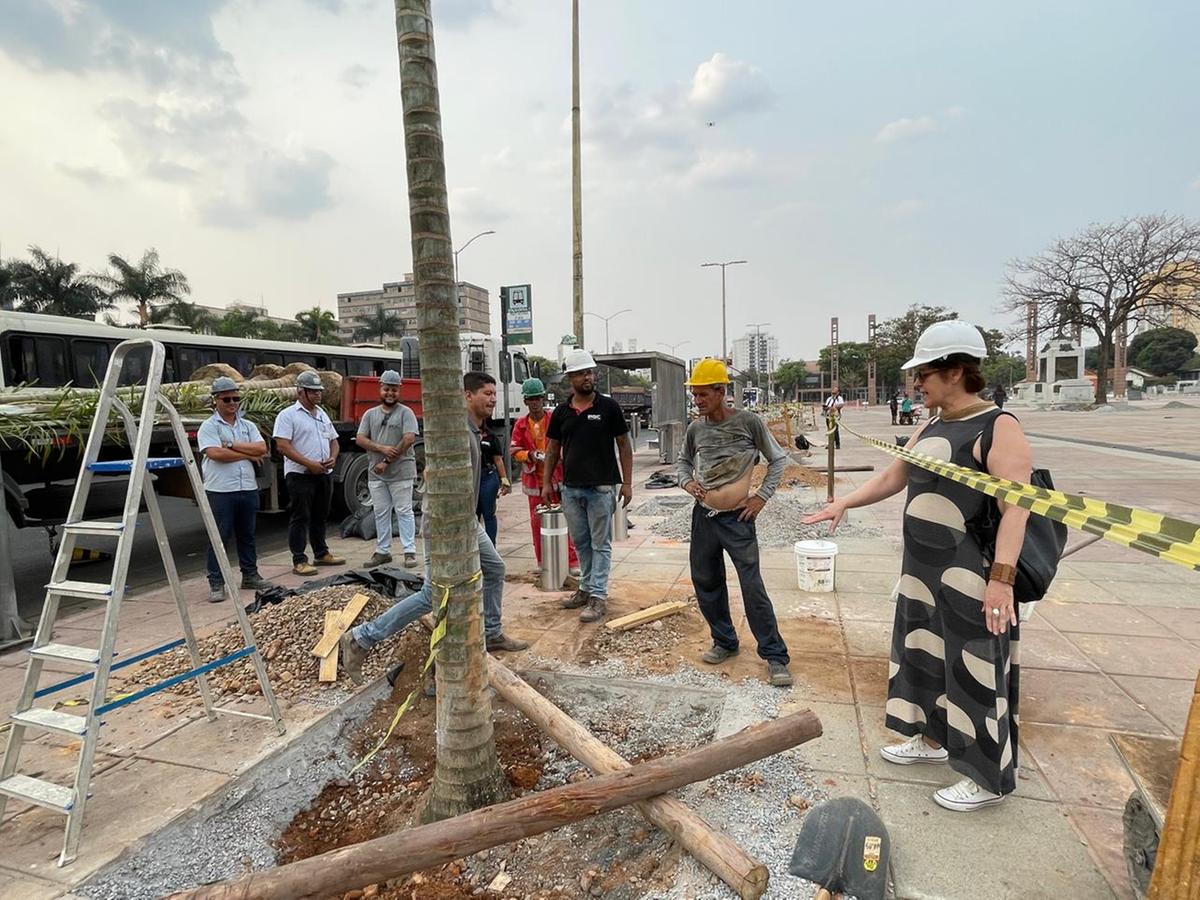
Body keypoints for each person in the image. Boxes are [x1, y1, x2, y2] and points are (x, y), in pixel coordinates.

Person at [803, 320, 1032, 812]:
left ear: (954, 372)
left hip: (971, 573)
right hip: (923, 572)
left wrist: (1002, 580)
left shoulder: (998, 426)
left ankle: (986, 777)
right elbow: (893, 477)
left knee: (972, 667)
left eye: (923, 374)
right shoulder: (932, 424)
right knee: (924, 657)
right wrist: (845, 503)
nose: (916, 384)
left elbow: (1018, 506)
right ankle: (932, 740)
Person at [339, 372, 529, 682]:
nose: (493, 398)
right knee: (432, 594)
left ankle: (492, 632)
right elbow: (431, 476)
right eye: (487, 393)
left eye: (495, 393)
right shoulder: (455, 431)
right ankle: (361, 638)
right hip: (445, 524)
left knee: (494, 568)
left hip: (464, 521)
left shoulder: (472, 430)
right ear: (467, 396)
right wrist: (450, 524)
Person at [677, 359, 793, 687]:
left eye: (703, 395)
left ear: (721, 391)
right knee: (706, 580)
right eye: (694, 395)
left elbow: (778, 459)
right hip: (705, 518)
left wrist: (761, 498)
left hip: (738, 522)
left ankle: (774, 655)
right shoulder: (695, 429)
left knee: (752, 586)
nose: (697, 401)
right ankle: (725, 641)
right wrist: (688, 484)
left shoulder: (748, 423)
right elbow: (683, 463)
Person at [542, 349, 633, 623]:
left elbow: (624, 446)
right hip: (571, 489)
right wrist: (547, 482)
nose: (587, 377)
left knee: (601, 544)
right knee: (581, 542)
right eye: (581, 373)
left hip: (601, 488)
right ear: (570, 378)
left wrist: (627, 483)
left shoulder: (609, 408)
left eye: (590, 372)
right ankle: (585, 588)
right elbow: (552, 449)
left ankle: (598, 596)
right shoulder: (561, 412)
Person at [196, 376, 273, 602]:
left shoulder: (247, 426)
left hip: (246, 487)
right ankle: (216, 582)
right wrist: (248, 454)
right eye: (226, 399)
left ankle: (250, 575)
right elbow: (215, 454)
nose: (232, 403)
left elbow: (262, 448)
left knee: (247, 534)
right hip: (221, 490)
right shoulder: (209, 427)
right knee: (220, 536)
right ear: (216, 401)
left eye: (235, 399)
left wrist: (230, 445)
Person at [272, 370, 346, 576]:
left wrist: (333, 457)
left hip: (323, 473)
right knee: (300, 516)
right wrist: (309, 463)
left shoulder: (322, 414)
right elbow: (283, 446)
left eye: (319, 391)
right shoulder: (287, 416)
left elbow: (334, 440)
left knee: (320, 515)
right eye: (313, 392)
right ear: (300, 393)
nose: (318, 395)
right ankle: (299, 559)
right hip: (300, 475)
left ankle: (321, 553)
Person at [510, 377, 580, 577]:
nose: (535, 402)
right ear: (525, 401)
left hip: (557, 479)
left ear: (543, 399)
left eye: (537, 398)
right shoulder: (521, 425)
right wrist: (531, 455)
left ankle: (572, 561)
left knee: (566, 520)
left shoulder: (553, 419)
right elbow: (514, 450)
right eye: (531, 399)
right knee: (537, 523)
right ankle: (543, 561)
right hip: (535, 483)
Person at [355, 370, 420, 569]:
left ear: (399, 390)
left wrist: (386, 461)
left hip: (401, 472)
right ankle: (383, 551)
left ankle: (409, 551)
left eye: (393, 389)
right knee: (381, 512)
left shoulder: (406, 413)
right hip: (376, 473)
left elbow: (408, 439)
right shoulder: (370, 414)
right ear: (380, 389)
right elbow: (360, 438)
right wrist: (381, 448)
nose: (390, 393)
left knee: (403, 510)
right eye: (386, 389)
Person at [475, 412, 511, 548]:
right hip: (473, 478)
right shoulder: (468, 435)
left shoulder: (491, 437)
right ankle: (476, 546)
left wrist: (504, 480)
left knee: (488, 513)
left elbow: (498, 460)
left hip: (488, 477)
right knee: (474, 514)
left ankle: (491, 547)